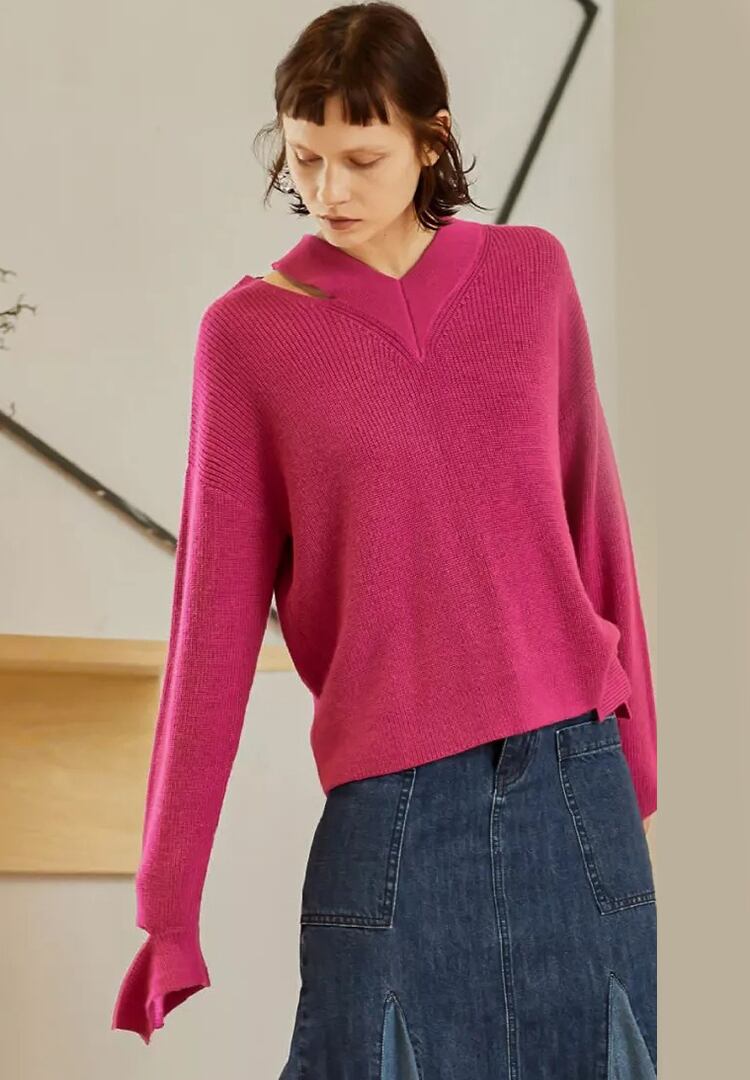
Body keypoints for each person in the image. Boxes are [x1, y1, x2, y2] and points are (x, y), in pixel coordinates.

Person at [111, 3, 657, 1076]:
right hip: (393, 809)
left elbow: (596, 525)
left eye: (363, 159)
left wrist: (633, 764)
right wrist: (167, 905)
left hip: (574, 788)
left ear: (431, 140)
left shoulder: (532, 277)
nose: (330, 191)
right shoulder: (250, 338)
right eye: (305, 156)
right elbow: (210, 633)